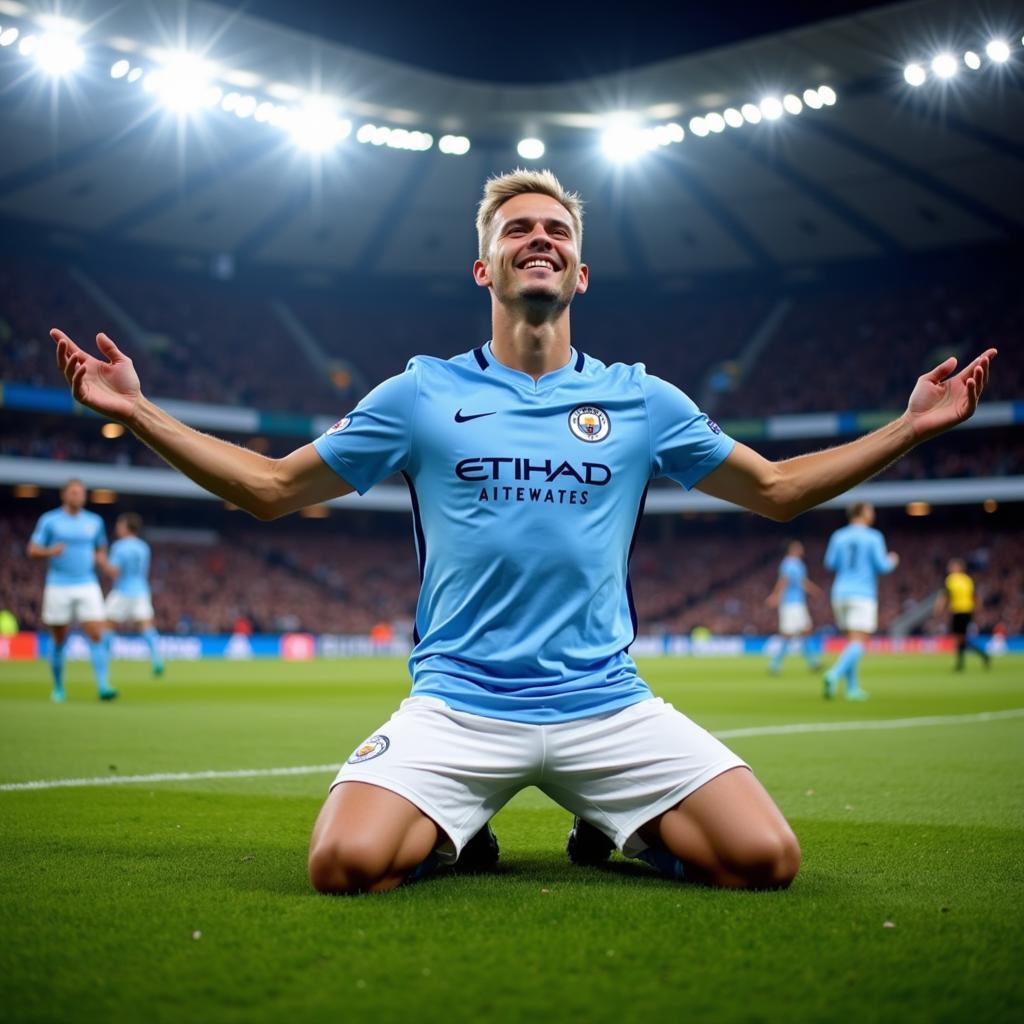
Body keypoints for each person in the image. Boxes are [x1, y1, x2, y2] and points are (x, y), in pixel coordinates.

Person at [49, 169, 996, 895]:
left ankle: (614, 830)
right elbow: (267, 489)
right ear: (485, 266)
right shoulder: (420, 392)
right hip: (458, 705)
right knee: (343, 866)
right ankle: (462, 836)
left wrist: (909, 429)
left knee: (766, 861)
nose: (536, 239)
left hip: (607, 704)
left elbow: (781, 490)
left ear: (580, 269)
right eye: (517, 230)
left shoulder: (642, 399)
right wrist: (136, 414)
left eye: (555, 231)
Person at [26, 479, 117, 702]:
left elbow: (100, 549)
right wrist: (50, 552)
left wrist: (105, 565)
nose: (79, 496)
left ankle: (103, 685)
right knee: (59, 637)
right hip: (58, 584)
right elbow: (32, 550)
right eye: (75, 493)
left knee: (96, 632)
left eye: (82, 493)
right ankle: (58, 688)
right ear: (64, 495)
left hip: (87, 583)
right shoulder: (50, 520)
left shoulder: (94, 521)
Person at [822, 503, 898, 701]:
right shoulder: (873, 537)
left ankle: (852, 689)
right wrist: (892, 560)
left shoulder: (838, 536)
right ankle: (834, 674)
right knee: (859, 641)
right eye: (870, 510)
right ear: (861, 513)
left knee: (851, 642)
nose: (873, 514)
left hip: (839, 592)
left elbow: (830, 563)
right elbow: (882, 566)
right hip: (862, 593)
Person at [103, 512, 164, 676]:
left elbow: (114, 572)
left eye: (119, 524)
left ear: (126, 527)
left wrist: (101, 562)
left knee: (107, 627)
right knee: (146, 626)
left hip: (122, 590)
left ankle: (103, 661)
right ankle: (157, 659)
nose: (117, 527)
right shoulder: (143, 547)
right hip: (141, 590)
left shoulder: (119, 546)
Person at [765, 540, 823, 674]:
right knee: (788, 634)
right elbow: (784, 581)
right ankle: (775, 664)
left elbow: (802, 582)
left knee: (806, 630)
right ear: (792, 549)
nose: (801, 549)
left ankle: (812, 661)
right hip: (790, 603)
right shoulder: (788, 563)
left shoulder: (798, 564)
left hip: (798, 602)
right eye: (799, 547)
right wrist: (776, 595)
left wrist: (814, 591)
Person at [934, 558, 990, 671]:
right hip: (968, 611)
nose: (950, 568)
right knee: (961, 639)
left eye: (952, 566)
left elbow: (945, 596)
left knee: (960, 638)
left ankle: (965, 663)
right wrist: (979, 608)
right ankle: (976, 658)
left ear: (959, 567)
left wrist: (939, 609)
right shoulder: (968, 580)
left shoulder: (951, 579)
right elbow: (974, 596)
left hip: (959, 611)